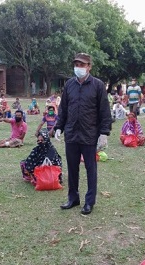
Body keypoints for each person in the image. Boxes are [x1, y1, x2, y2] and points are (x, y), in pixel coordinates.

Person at [54, 53, 112, 215]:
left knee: (90, 169)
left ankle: (89, 201)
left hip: (89, 134)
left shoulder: (98, 86)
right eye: (76, 64)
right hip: (71, 134)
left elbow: (104, 111)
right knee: (72, 168)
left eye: (82, 65)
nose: (79, 67)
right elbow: (64, 108)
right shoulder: (69, 85)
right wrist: (59, 127)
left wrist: (103, 133)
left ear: (89, 67)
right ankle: (73, 198)